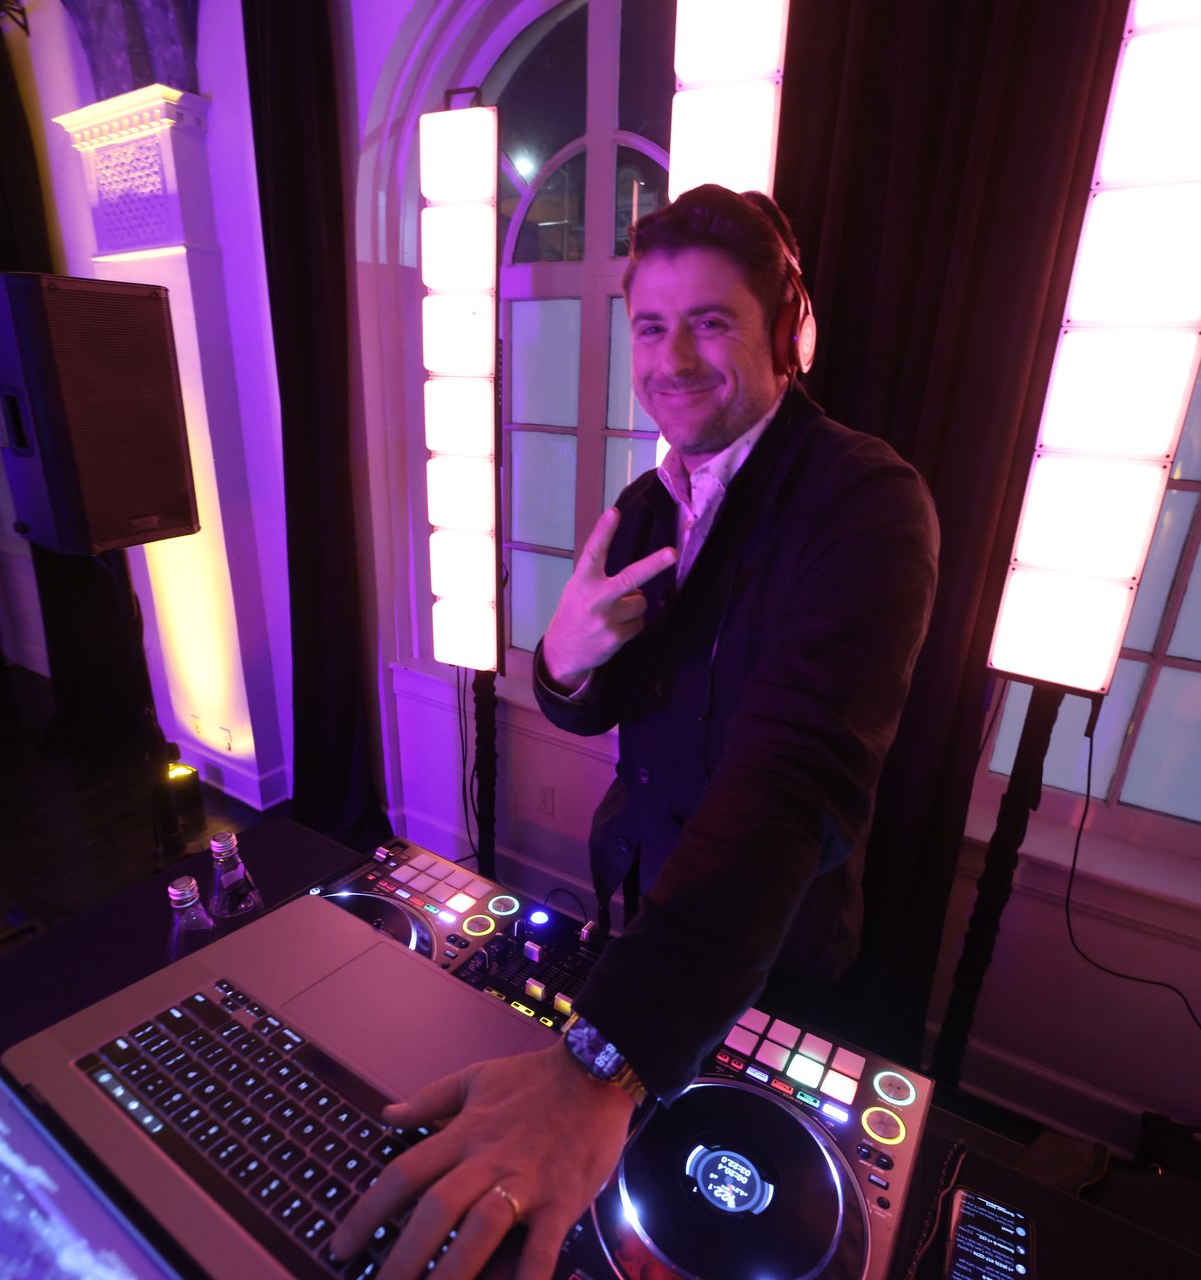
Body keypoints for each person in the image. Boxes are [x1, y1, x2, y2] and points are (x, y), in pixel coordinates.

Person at [329, 184, 940, 1279]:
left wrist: (601, 1061)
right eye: (651, 327)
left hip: (774, 953)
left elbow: (792, 780)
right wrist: (560, 662)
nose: (673, 358)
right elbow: (600, 702)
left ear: (787, 331)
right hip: (637, 919)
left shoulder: (866, 503)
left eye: (710, 321)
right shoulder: (649, 506)